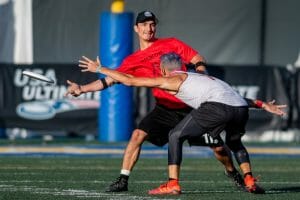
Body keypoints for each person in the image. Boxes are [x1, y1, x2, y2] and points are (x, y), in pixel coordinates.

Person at [66, 11, 264, 193]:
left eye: (152, 24)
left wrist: (202, 71)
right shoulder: (133, 60)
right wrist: (81, 89)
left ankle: (234, 174)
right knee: (137, 135)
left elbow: (197, 57)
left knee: (219, 148)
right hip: (164, 110)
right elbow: (109, 81)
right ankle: (123, 179)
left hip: (192, 107)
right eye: (144, 24)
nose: (148, 28)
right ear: (136, 28)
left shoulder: (172, 43)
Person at [77, 52, 286, 195]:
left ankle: (173, 184)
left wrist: (101, 68)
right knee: (234, 142)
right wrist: (262, 104)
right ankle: (249, 179)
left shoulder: (173, 79)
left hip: (216, 108)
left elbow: (130, 80)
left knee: (175, 135)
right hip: (240, 109)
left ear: (163, 70)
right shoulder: (204, 78)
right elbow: (237, 99)